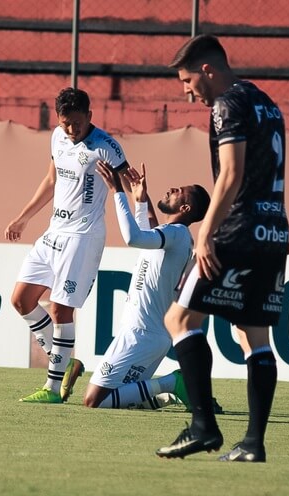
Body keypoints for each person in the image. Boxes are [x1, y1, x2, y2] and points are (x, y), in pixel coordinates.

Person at [155, 34, 289, 462]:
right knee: (254, 336)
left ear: (208, 69)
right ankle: (253, 443)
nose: (186, 89)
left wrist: (208, 231)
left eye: (187, 80)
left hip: (237, 230)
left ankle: (203, 426)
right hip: (274, 232)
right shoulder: (266, 102)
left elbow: (230, 174)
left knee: (179, 319)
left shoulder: (225, 104)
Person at [5, 87, 129, 403]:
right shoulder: (58, 138)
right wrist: (23, 218)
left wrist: (145, 219)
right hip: (54, 232)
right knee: (21, 300)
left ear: (89, 116)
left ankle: (52, 389)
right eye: (65, 123)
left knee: (61, 310)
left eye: (76, 122)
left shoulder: (106, 147)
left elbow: (130, 185)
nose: (71, 130)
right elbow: (51, 179)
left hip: (83, 237)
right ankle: (67, 363)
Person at [83, 161, 212, 411]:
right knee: (124, 401)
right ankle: (166, 394)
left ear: (185, 208)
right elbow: (148, 229)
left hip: (140, 334)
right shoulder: (176, 235)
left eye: (179, 191)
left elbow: (134, 237)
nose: (172, 188)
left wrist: (117, 191)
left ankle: (172, 383)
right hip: (150, 335)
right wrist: (141, 199)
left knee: (93, 400)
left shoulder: (177, 233)